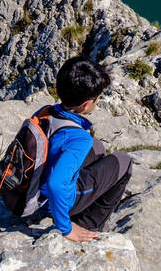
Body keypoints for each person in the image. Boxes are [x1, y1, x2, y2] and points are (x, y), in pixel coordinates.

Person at [39, 57, 134, 242]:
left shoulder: (46, 112)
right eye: (96, 99)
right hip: (49, 200)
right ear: (86, 104)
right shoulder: (78, 138)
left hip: (32, 185)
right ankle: (88, 224)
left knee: (97, 147)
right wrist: (65, 228)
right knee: (124, 162)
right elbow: (56, 183)